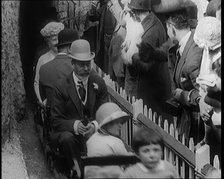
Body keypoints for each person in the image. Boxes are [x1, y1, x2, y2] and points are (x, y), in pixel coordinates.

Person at [50, 39, 109, 177]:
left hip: (94, 133)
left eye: (88, 64)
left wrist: (94, 126)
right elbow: (55, 120)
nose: (86, 68)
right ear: (72, 63)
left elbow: (105, 112)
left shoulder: (98, 83)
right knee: (66, 138)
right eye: (81, 65)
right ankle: (76, 170)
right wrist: (75, 125)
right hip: (71, 135)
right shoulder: (61, 86)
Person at [123, 0, 171, 116]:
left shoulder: (151, 31)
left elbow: (147, 67)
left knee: (147, 125)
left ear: (135, 12)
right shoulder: (148, 23)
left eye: (131, 13)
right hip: (146, 88)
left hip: (148, 90)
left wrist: (130, 56)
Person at [165, 9, 205, 144]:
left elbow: (202, 94)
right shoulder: (184, 44)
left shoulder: (193, 51)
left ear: (171, 27)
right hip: (187, 117)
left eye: (167, 28)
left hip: (196, 121)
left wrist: (181, 95)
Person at [193, 16, 221, 161]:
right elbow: (203, 82)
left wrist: (207, 101)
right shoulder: (207, 53)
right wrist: (202, 101)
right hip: (210, 122)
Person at [85, 102, 133, 178]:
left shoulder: (91, 139)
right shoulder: (115, 142)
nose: (120, 126)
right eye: (117, 122)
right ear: (108, 123)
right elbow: (128, 161)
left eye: (121, 122)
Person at [39, 28, 79, 107]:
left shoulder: (43, 69)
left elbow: (44, 97)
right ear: (70, 49)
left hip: (53, 117)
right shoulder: (78, 68)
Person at [34, 21, 64, 107]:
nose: (57, 42)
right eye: (54, 40)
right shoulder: (43, 60)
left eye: (59, 39)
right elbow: (37, 82)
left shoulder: (67, 56)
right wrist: (41, 101)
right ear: (48, 42)